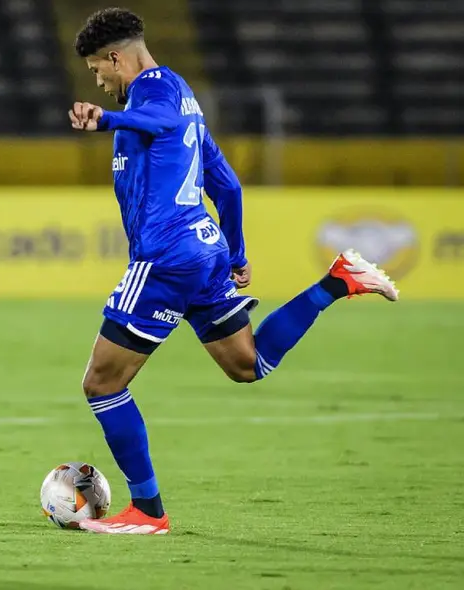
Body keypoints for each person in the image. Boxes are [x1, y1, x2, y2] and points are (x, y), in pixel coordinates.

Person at [67, 8, 398, 535]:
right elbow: (227, 184)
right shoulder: (184, 99)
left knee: (102, 384)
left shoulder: (154, 95)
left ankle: (148, 511)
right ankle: (337, 282)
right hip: (203, 251)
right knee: (248, 364)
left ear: (114, 57)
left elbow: (159, 122)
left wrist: (106, 120)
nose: (99, 83)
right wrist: (237, 254)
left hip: (165, 256)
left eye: (96, 71)